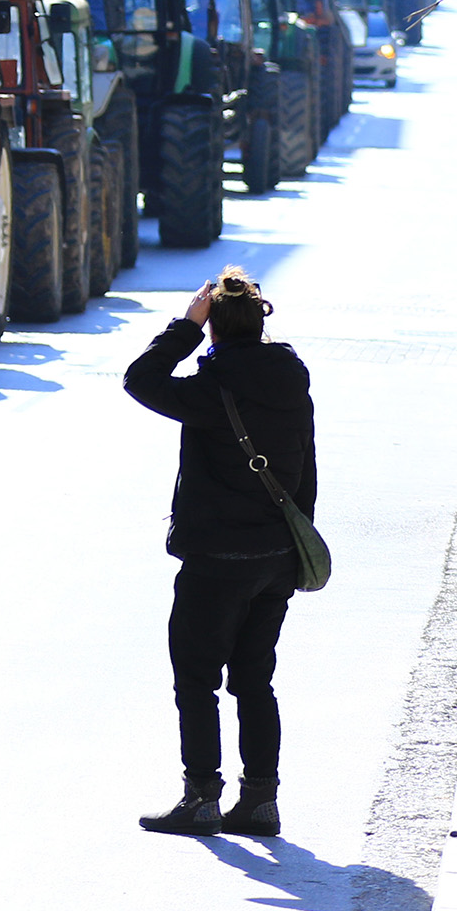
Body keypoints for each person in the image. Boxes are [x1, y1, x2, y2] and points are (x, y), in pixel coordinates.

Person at [123, 266, 316, 838]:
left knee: (197, 680)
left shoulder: (211, 389)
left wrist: (184, 327)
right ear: (260, 323)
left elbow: (140, 378)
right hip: (277, 556)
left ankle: (202, 798)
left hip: (216, 560)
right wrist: (294, 543)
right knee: (255, 680)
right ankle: (259, 802)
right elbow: (306, 469)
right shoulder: (291, 378)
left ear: (214, 329)